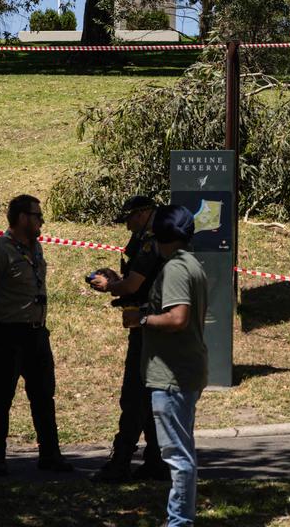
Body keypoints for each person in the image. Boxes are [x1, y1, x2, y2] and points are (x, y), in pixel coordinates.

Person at [0, 194, 72, 476]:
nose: (41, 220)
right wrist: (0, 311)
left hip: (36, 334)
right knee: (2, 396)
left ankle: (50, 454)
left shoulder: (36, 248)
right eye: (37, 215)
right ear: (22, 218)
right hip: (6, 334)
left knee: (43, 396)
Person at [126, 205, 208, 527]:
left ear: (159, 236)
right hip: (185, 371)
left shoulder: (174, 268)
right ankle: (180, 519)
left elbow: (177, 318)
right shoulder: (191, 264)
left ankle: (179, 522)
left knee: (177, 457)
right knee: (182, 452)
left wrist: (141, 318)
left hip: (172, 376)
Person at [88, 195, 170, 483]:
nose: (127, 223)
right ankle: (155, 461)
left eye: (130, 217)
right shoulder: (159, 238)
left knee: (134, 394)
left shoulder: (150, 242)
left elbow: (133, 285)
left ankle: (121, 461)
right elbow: (137, 278)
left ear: (145, 213)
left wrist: (110, 285)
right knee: (148, 396)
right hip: (154, 325)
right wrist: (117, 278)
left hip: (147, 326)